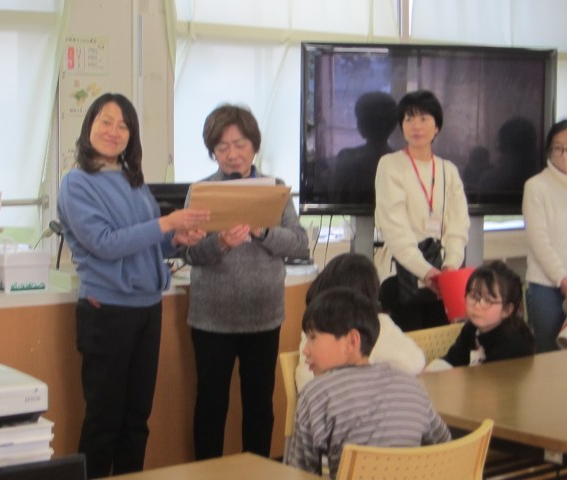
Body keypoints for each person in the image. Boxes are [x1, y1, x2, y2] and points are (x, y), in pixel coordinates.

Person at [57, 93, 209, 478]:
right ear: (89, 127)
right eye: (106, 122)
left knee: (137, 419)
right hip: (106, 309)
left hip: (147, 307)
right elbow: (105, 244)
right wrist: (166, 223)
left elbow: (149, 242)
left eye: (123, 125)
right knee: (103, 421)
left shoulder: (131, 179)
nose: (114, 131)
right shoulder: (76, 183)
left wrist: (175, 239)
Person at [181, 103, 309, 460]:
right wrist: (220, 243)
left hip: (263, 315)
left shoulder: (275, 189)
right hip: (212, 319)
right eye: (222, 147)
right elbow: (188, 253)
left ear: (254, 145)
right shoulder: (202, 191)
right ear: (213, 151)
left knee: (259, 406)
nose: (232, 154)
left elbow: (299, 243)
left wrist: (262, 231)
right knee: (210, 405)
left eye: (239, 144)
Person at [287, 288, 451, 478]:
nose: (305, 350)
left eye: (312, 337)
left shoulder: (316, 395)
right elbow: (445, 447)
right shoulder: (411, 385)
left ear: (351, 341)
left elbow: (299, 473)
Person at [375, 90, 470, 331]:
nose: (416, 126)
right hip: (402, 276)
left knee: (443, 344)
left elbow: (458, 227)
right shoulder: (390, 165)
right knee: (408, 348)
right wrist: (426, 272)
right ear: (402, 126)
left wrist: (450, 267)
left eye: (424, 118)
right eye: (409, 119)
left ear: (437, 126)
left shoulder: (449, 170)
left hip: (443, 279)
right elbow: (395, 230)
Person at [295, 253, 425, 392]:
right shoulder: (317, 327)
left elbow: (414, 362)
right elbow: (307, 384)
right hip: (332, 401)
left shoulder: (380, 323)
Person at [427, 261, 534, 371]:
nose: (477, 305)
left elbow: (491, 379)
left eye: (488, 301)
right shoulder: (471, 328)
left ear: (507, 310)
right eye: (473, 296)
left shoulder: (514, 342)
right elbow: (452, 360)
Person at [523, 119, 567, 353]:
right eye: (559, 148)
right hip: (546, 286)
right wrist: (562, 279)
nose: (564, 154)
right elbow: (538, 241)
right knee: (549, 353)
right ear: (550, 150)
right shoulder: (536, 186)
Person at [330, 91, 397, 205]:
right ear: (393, 125)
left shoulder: (346, 157)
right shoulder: (402, 161)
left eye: (360, 119)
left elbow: (335, 200)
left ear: (362, 125)